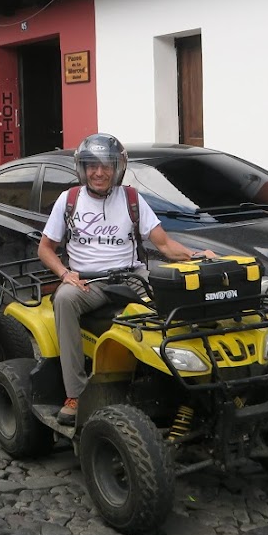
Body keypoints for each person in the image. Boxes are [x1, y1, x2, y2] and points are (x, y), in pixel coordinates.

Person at [38, 133, 213, 425]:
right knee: (64, 300)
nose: (99, 172)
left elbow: (164, 244)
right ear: (82, 168)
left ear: (117, 168)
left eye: (106, 165)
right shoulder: (69, 200)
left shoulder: (132, 198)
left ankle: (183, 377)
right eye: (92, 165)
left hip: (131, 277)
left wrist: (198, 256)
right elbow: (45, 249)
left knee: (172, 299)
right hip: (88, 282)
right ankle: (76, 394)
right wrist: (65, 274)